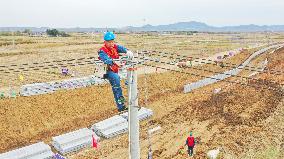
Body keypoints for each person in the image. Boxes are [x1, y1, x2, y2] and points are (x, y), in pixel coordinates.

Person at [98, 31, 133, 112]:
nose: (111, 43)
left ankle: (130, 99)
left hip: (116, 69)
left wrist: (127, 51)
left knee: (130, 75)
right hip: (108, 71)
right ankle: (121, 107)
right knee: (117, 85)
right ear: (105, 42)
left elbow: (121, 48)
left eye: (112, 41)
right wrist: (114, 61)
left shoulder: (115, 47)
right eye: (109, 42)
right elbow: (106, 60)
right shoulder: (102, 51)